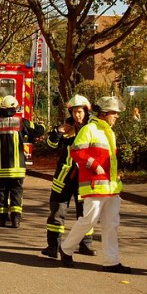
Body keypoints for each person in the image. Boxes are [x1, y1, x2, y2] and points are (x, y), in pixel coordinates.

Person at [60, 96, 129, 272]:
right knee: (88, 220)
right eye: (114, 113)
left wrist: (117, 174)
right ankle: (66, 248)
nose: (117, 116)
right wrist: (94, 164)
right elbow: (76, 151)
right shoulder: (90, 129)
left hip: (111, 187)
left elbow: (110, 160)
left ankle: (111, 261)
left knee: (111, 225)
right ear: (104, 114)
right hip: (95, 185)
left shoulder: (109, 132)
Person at [42, 95, 96, 259]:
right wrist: (58, 132)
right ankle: (53, 246)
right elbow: (51, 145)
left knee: (85, 213)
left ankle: (86, 244)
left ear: (86, 111)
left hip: (84, 178)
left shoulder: (93, 128)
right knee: (57, 212)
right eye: (74, 112)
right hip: (64, 178)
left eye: (79, 112)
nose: (77, 116)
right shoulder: (66, 128)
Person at [0, 95, 45, 227]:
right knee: (16, 192)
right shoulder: (21, 122)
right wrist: (42, 127)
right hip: (17, 167)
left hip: (0, 166)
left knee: (2, 192)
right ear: (14, 108)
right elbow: (37, 131)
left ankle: (2, 219)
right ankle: (15, 219)